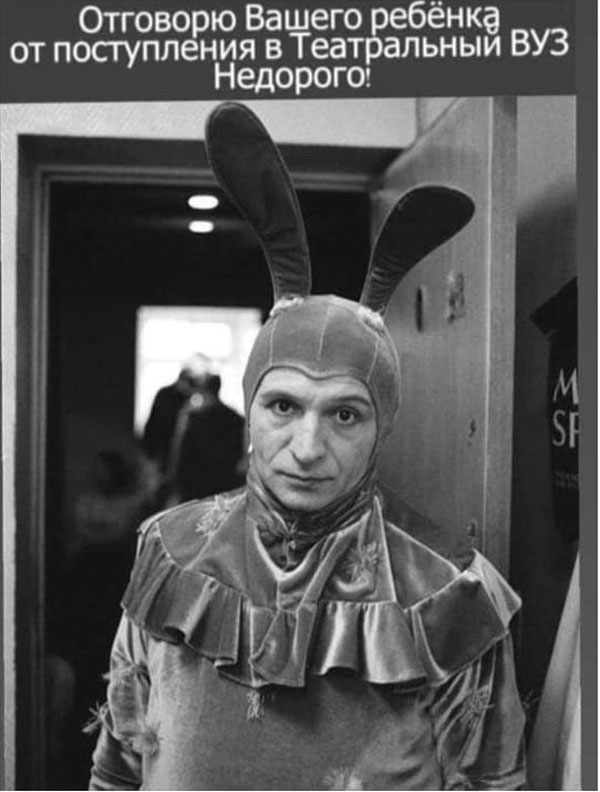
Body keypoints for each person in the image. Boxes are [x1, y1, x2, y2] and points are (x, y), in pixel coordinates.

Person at [88, 103, 526, 790]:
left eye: (345, 414)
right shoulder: (170, 552)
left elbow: (494, 783)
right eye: (283, 406)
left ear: (382, 426)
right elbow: (117, 764)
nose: (308, 447)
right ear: (250, 410)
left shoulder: (450, 591)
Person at [141, 353, 213, 504]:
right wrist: (152, 468)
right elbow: (152, 434)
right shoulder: (166, 397)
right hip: (162, 465)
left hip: (186, 470)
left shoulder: (197, 403)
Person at [172, 373, 246, 503]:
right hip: (225, 484)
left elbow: (183, 456)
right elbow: (239, 453)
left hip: (197, 485)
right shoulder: (235, 419)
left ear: (203, 389)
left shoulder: (194, 418)